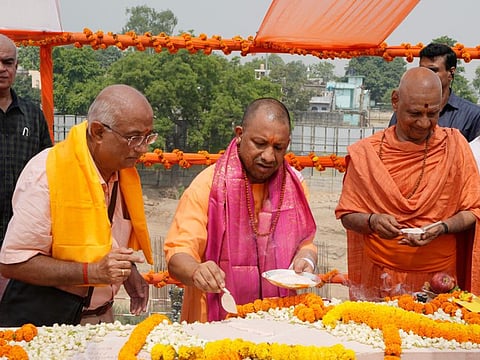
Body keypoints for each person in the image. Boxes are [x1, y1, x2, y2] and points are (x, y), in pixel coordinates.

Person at [0, 84, 155, 326]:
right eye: (134, 138)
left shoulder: (123, 175)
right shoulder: (47, 173)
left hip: (101, 319)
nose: (143, 149)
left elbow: (103, 242)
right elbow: (14, 263)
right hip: (46, 324)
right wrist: (91, 273)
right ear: (98, 132)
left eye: (148, 137)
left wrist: (128, 271)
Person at [164, 98, 317, 323]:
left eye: (278, 147)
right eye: (259, 143)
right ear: (239, 134)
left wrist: (307, 260)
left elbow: (306, 244)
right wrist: (197, 271)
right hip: (215, 322)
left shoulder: (295, 186)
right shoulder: (208, 186)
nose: (268, 156)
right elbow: (178, 254)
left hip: (278, 320)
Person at [336, 67, 480, 301]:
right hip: (379, 277)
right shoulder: (367, 153)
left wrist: (442, 227)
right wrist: (373, 221)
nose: (424, 124)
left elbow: (473, 210)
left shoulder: (454, 146)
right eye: (414, 114)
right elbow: (347, 214)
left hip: (440, 281)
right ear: (395, 101)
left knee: (434, 336)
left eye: (433, 114)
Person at [388, 43, 480, 142]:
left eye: (433, 70)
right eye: (422, 69)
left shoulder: (473, 115)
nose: (424, 123)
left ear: (451, 73)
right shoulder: (404, 110)